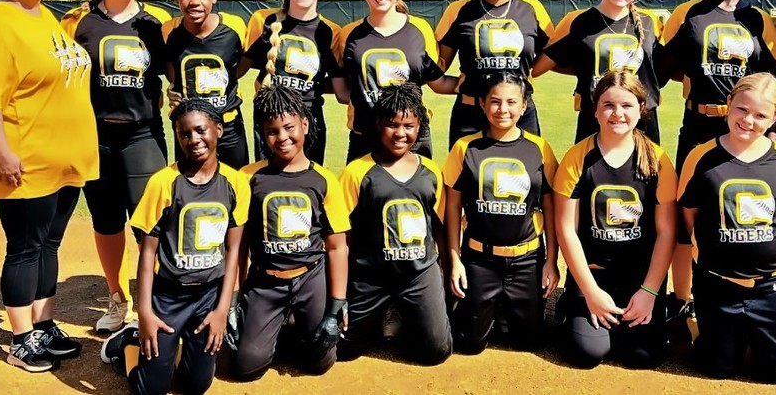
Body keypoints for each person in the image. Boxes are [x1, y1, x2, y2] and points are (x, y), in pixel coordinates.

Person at [0, 0, 98, 372]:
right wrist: (2, 153)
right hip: (26, 157)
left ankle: (43, 324)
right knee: (25, 247)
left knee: (49, 243)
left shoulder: (47, 18)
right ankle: (21, 339)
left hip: (66, 157)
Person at [658, 0, 776, 322]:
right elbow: (661, 69)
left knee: (739, 214)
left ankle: (740, 295)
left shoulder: (758, 19)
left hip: (746, 133)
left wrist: (772, 137)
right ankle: (682, 299)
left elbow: (773, 83)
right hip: (698, 125)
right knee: (686, 212)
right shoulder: (688, 14)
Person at [100, 99, 249, 395]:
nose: (194, 139)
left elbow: (233, 251)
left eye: (201, 130)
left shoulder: (235, 183)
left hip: (208, 297)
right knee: (150, 390)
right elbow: (148, 252)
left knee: (196, 385)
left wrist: (223, 309)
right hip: (168, 296)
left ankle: (173, 354)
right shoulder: (164, 183)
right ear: (177, 137)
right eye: (184, 134)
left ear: (218, 130)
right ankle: (127, 344)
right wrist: (145, 312)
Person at [61, 0, 172, 333]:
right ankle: (116, 297)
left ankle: (152, 299)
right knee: (106, 221)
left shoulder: (156, 22)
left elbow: (173, 74)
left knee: (150, 222)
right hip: (96, 136)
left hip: (142, 134)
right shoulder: (76, 21)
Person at [677, 73, 776, 384]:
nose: (748, 120)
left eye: (760, 115)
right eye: (742, 109)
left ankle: (749, 334)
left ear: (775, 118)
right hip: (716, 284)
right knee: (717, 368)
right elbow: (689, 213)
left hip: (771, 286)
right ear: (729, 103)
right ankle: (707, 326)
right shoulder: (701, 156)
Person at [553, 69, 677, 369]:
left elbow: (666, 232)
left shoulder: (658, 160)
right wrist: (590, 292)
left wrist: (649, 292)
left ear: (641, 109)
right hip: (593, 275)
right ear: (595, 110)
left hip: (640, 279)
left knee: (641, 357)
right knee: (588, 352)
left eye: (626, 105)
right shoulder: (577, 158)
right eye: (608, 105)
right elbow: (566, 229)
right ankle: (571, 304)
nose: (617, 113)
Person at [232, 86, 349, 379]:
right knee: (247, 366)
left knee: (320, 362)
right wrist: (233, 299)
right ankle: (277, 326)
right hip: (265, 280)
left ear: (304, 125)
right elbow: (237, 246)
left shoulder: (323, 179)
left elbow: (337, 247)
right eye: (272, 132)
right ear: (262, 134)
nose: (282, 137)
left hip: (310, 277)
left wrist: (336, 306)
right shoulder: (248, 177)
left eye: (289, 127)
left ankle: (295, 322)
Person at [336, 83, 452, 365]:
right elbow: (342, 234)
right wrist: (341, 291)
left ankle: (408, 313)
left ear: (419, 126)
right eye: (392, 125)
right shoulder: (357, 172)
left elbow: (440, 226)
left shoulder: (430, 171)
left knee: (437, 351)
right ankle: (384, 312)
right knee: (343, 350)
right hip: (371, 276)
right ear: (378, 124)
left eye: (409, 126)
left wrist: (447, 269)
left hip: (418, 274)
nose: (401, 133)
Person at [444, 72, 559, 354]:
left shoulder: (539, 148)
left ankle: (509, 310)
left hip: (527, 260)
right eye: (495, 101)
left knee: (528, 342)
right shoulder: (465, 147)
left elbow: (549, 207)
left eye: (511, 102)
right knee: (470, 344)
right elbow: (452, 207)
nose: (502, 109)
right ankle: (488, 308)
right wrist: (455, 261)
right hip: (480, 260)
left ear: (524, 105)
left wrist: (551, 261)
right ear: (482, 104)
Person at [334, 0, 456, 162]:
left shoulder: (420, 29)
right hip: (365, 138)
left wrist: (484, 86)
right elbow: (343, 92)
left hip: (411, 137)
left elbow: (437, 81)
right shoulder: (348, 34)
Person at [435, 0, 555, 147]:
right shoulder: (458, 11)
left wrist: (528, 74)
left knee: (526, 168)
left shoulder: (533, 10)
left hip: (519, 114)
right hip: (470, 116)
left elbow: (555, 53)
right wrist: (462, 86)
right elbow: (437, 69)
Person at [535, 0, 663, 143]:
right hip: (594, 118)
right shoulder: (578, 21)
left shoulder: (649, 22)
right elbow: (540, 67)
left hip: (642, 121)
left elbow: (662, 69)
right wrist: (582, 69)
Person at [243, 0, 348, 163]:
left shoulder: (331, 32)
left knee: (309, 180)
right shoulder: (264, 21)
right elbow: (236, 70)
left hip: (309, 119)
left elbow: (340, 91)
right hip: (269, 119)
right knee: (266, 179)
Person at [162, 0, 250, 169]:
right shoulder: (168, 30)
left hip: (228, 124)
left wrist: (226, 79)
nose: (194, 2)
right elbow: (171, 69)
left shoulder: (235, 26)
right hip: (189, 127)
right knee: (190, 184)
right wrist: (174, 88)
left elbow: (243, 64)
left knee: (236, 180)